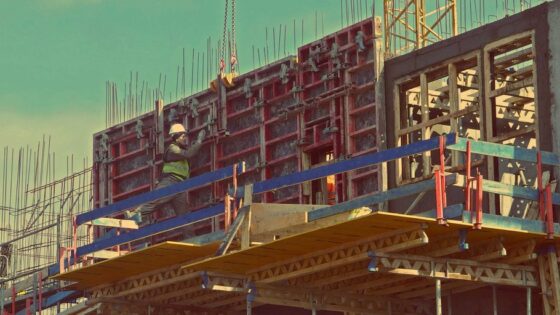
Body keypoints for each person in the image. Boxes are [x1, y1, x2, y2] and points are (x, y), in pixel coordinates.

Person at [126, 123, 206, 238]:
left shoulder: (180, 150)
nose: (185, 138)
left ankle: (191, 239)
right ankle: (133, 215)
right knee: (155, 201)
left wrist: (194, 145)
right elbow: (188, 154)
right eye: (183, 136)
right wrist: (199, 141)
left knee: (185, 216)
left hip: (180, 186)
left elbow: (188, 154)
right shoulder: (172, 149)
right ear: (176, 136)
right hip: (170, 181)